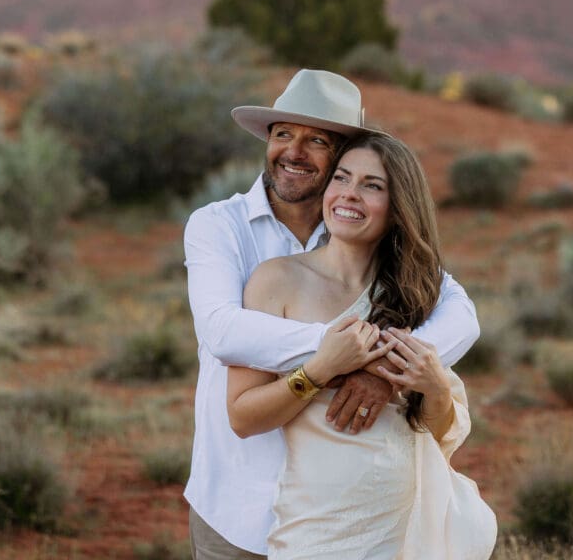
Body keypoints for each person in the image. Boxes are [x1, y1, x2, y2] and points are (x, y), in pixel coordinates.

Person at [184, 69, 480, 559]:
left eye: (316, 140)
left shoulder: (379, 247)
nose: (294, 152)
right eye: (283, 134)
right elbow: (222, 331)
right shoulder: (220, 225)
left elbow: (462, 315)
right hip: (239, 499)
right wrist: (342, 355)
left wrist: (388, 372)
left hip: (351, 520)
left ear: (342, 152)